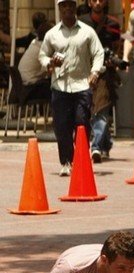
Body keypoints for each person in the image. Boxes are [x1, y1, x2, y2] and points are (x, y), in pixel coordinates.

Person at [38, 0, 104, 177]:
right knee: (62, 126)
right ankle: (66, 161)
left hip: (82, 85)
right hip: (60, 86)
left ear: (75, 8)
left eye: (70, 5)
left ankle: (81, 158)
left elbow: (98, 53)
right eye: (63, 5)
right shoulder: (52, 34)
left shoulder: (87, 32)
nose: (67, 9)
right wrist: (50, 62)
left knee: (82, 123)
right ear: (59, 9)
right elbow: (42, 55)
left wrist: (95, 72)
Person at [79, 0, 121, 164]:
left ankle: (95, 146)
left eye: (101, 0)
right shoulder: (81, 22)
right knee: (90, 108)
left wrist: (112, 60)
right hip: (85, 72)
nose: (97, 3)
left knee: (101, 108)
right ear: (89, 3)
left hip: (104, 73)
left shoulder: (113, 24)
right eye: (94, 0)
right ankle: (105, 143)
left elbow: (117, 46)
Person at [17, 20, 53, 100]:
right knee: (55, 87)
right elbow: (50, 69)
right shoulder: (42, 49)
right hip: (30, 88)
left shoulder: (34, 43)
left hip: (24, 86)